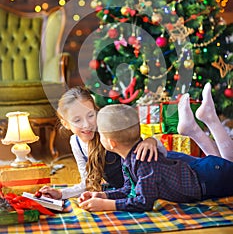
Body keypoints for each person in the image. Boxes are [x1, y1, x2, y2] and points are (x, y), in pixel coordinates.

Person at [78, 83, 233, 212]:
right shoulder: (128, 158)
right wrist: (102, 196)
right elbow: (129, 190)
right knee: (226, 162)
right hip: (202, 171)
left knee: (229, 164)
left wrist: (107, 205)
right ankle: (199, 125)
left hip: (208, 179)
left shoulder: (143, 162)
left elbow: (143, 202)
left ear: (112, 143)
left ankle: (209, 120)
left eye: (102, 135)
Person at [39, 86, 166, 200]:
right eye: (77, 120)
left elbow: (142, 141)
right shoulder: (76, 143)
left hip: (155, 181)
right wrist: (61, 194)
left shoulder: (108, 131)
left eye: (90, 115)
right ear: (65, 124)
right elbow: (88, 183)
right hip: (126, 191)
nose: (87, 124)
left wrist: (152, 140)